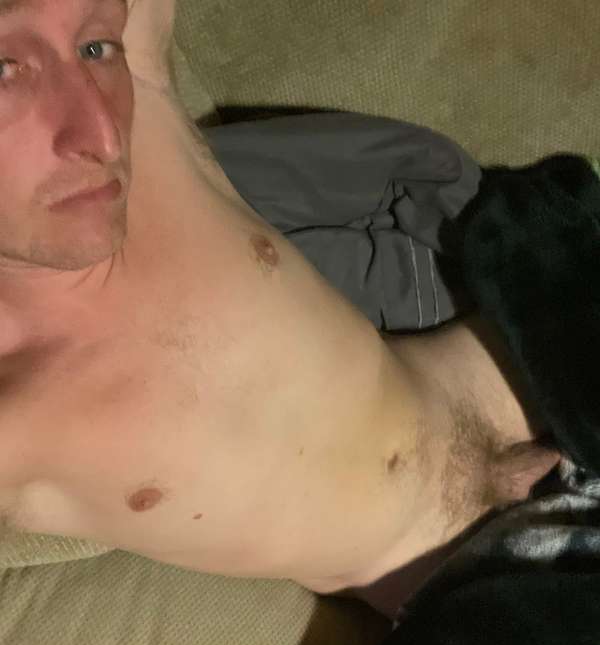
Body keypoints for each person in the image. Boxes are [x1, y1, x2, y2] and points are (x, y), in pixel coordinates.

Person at [0, 0, 560, 613]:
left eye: (94, 48)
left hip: (551, 375)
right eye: (4, 67)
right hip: (503, 604)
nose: (104, 137)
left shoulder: (140, 123)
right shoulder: (17, 422)